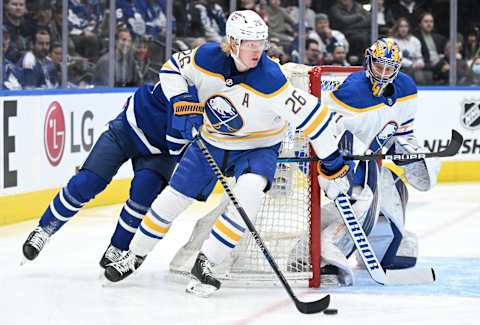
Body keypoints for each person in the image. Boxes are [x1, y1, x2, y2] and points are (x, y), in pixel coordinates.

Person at [103, 10, 353, 298]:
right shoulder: (206, 58)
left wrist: (332, 165)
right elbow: (172, 69)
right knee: (173, 198)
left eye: (261, 42)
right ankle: (134, 255)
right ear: (232, 43)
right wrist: (181, 99)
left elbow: (316, 118)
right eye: (249, 43)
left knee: (249, 195)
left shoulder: (270, 79)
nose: (256, 49)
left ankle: (206, 263)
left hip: (258, 146)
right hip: (213, 140)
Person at [312, 38, 440, 285]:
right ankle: (325, 259)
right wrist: (333, 170)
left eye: (389, 68)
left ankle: (380, 250)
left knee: (396, 191)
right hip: (345, 162)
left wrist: (409, 153)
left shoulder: (406, 88)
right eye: (378, 66)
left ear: (398, 68)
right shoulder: (351, 91)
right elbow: (328, 133)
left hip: (371, 160)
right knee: (362, 204)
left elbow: (401, 132)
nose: (383, 73)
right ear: (368, 60)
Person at [21, 83, 190, 268]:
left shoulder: (220, 93)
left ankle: (118, 247)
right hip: (129, 128)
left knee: (144, 193)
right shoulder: (191, 69)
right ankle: (45, 229)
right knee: (87, 182)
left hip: (161, 151)